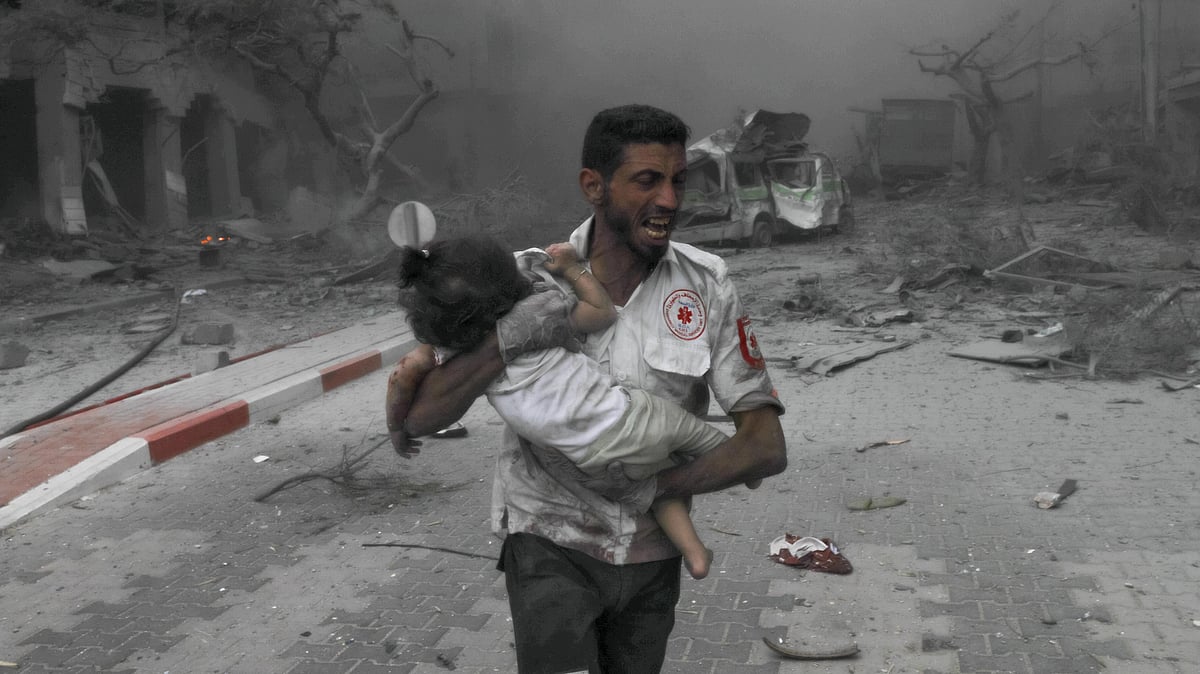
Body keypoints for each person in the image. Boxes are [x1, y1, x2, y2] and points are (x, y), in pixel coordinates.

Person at [388, 103, 787, 674]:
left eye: (678, 182)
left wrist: (651, 491)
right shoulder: (518, 281)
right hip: (548, 545)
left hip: (653, 560)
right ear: (593, 186)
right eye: (647, 181)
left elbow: (766, 448)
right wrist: (507, 338)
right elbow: (422, 417)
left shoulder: (707, 286)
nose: (670, 201)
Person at [387, 235, 736, 580]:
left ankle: (695, 552)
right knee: (686, 433)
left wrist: (395, 428)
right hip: (626, 420)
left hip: (582, 459)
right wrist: (571, 269)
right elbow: (602, 313)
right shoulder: (540, 307)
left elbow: (401, 380)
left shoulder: (452, 349)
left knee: (652, 485)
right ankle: (740, 461)